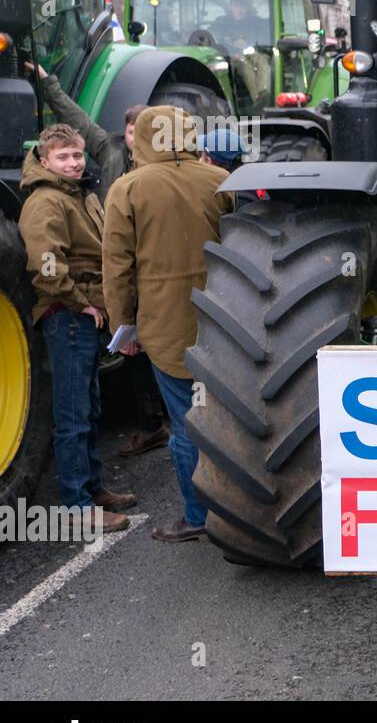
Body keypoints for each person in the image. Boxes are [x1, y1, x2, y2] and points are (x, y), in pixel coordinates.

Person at [102, 106, 235, 542]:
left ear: (140, 138)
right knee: (224, 418)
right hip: (223, 318)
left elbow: (117, 267)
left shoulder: (127, 188)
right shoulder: (218, 181)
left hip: (163, 325)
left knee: (185, 424)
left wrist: (123, 327)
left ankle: (197, 515)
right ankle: (239, 509)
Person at [18, 124, 136, 532]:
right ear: (44, 160)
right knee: (72, 413)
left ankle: (92, 489)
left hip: (84, 314)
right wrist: (80, 303)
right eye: (63, 157)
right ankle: (75, 508)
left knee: (89, 406)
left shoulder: (79, 195)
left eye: (76, 155)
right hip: (67, 316)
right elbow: (45, 264)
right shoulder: (46, 202)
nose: (73, 163)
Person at [24, 62, 142, 196]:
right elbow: (77, 119)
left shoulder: (163, 166)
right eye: (131, 132)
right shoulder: (111, 150)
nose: (135, 139)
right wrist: (47, 82)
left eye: (141, 133)